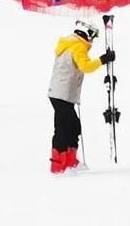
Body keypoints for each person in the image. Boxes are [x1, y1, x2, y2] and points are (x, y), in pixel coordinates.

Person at [47, 20, 115, 174]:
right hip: (62, 94)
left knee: (73, 126)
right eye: (92, 37)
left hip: (60, 94)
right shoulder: (78, 46)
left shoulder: (70, 43)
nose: (92, 40)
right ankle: (59, 165)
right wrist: (104, 59)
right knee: (63, 129)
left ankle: (70, 161)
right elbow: (86, 66)